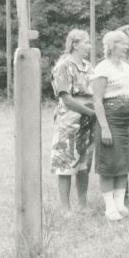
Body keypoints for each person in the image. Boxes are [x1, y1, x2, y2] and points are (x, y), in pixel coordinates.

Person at [91, 30, 129, 221]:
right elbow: (97, 101)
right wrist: (104, 127)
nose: (127, 46)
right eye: (122, 43)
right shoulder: (102, 68)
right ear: (112, 45)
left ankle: (120, 204)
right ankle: (109, 207)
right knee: (109, 163)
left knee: (125, 162)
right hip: (111, 118)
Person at [50, 29, 96, 212]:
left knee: (84, 165)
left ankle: (83, 206)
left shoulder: (88, 66)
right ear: (75, 44)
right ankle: (65, 209)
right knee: (65, 165)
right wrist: (90, 112)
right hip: (69, 122)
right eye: (86, 42)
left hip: (88, 124)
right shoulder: (63, 66)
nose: (89, 46)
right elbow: (66, 98)